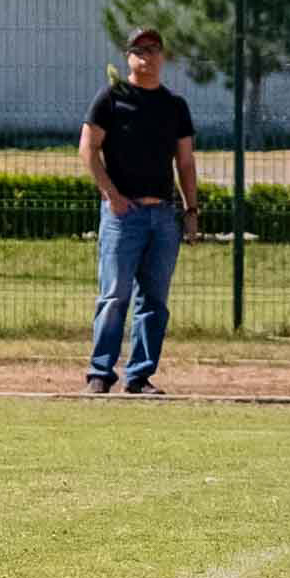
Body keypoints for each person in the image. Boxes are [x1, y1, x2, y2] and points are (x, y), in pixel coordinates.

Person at [79, 26, 199, 395]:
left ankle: (140, 376)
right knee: (114, 295)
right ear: (128, 57)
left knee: (155, 300)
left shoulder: (175, 106)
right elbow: (87, 149)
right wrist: (111, 195)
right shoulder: (111, 99)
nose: (147, 57)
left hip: (163, 215)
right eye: (139, 50)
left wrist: (191, 210)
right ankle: (100, 373)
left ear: (163, 57)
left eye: (154, 50)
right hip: (122, 215)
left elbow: (185, 162)